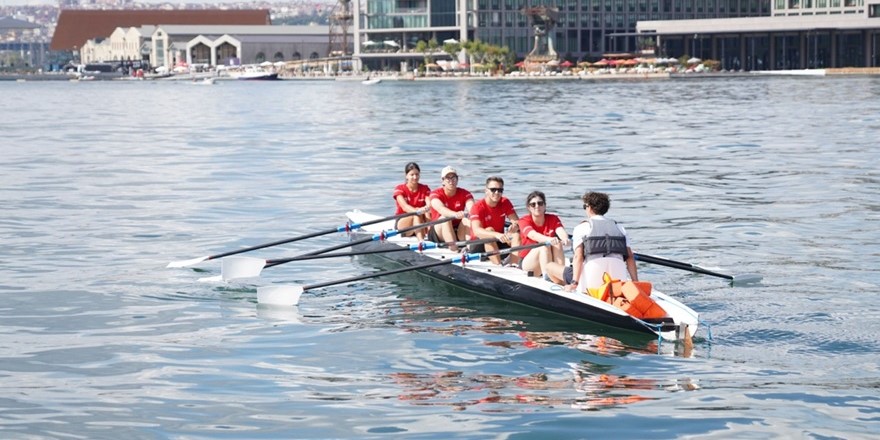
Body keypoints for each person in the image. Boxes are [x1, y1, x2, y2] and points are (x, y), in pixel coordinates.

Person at [566, 191, 638, 292]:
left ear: (589, 207)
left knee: (552, 268)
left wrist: (574, 283)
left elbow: (578, 257)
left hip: (591, 282)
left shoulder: (582, 228)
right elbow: (630, 257)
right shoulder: (620, 228)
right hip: (618, 280)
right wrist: (635, 282)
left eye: (585, 206)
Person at [518, 191, 570, 283]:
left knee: (557, 244)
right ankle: (548, 278)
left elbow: (560, 231)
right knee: (543, 246)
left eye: (540, 203)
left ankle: (560, 277)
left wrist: (565, 239)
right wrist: (549, 239)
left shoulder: (553, 218)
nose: (537, 206)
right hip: (528, 263)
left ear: (545, 206)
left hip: (548, 257)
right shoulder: (524, 220)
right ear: (529, 208)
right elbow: (533, 235)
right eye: (533, 204)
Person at [468, 176, 521, 265]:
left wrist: (514, 227)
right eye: (493, 190)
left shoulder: (505, 202)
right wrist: (497, 235)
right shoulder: (477, 207)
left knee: (516, 235)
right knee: (489, 230)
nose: (497, 193)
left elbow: (517, 221)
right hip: (478, 244)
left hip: (498, 240)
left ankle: (513, 266)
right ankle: (498, 266)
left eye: (500, 190)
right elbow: (476, 231)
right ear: (486, 191)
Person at [428, 166, 474, 251]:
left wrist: (472, 214)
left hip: (457, 230)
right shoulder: (435, 194)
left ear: (457, 179)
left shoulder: (465, 193)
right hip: (438, 232)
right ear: (443, 181)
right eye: (448, 178)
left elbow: (472, 208)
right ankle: (454, 250)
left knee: (467, 219)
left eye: (453, 177)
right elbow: (441, 209)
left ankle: (470, 249)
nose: (451, 181)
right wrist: (455, 214)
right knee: (445, 218)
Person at [392, 162, 431, 240]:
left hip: (420, 221)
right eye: (412, 175)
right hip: (403, 222)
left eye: (417, 174)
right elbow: (405, 207)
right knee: (416, 214)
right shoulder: (400, 188)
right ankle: (421, 241)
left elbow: (429, 204)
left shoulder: (424, 188)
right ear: (406, 176)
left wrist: (426, 208)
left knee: (427, 212)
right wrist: (418, 210)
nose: (415, 177)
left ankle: (431, 235)